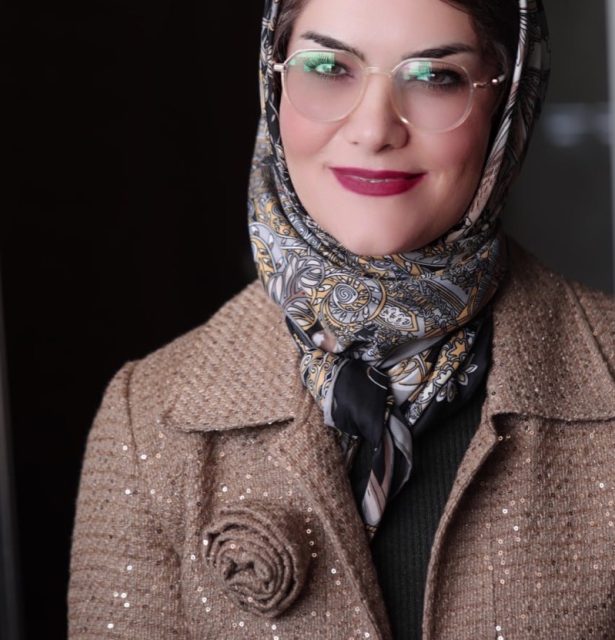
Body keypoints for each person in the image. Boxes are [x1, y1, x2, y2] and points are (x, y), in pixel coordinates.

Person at [68, 0, 615, 638]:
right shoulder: (148, 416)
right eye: (328, 68)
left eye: (435, 77)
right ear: (274, 80)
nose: (374, 129)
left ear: (509, 100)